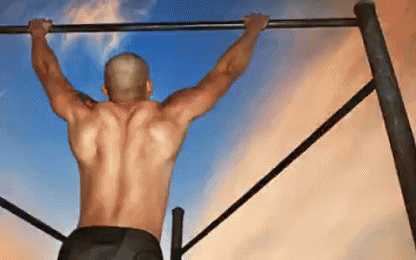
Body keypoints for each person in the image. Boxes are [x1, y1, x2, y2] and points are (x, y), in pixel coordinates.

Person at [28, 13, 269, 260]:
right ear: (149, 87)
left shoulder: (83, 117)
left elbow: (48, 72)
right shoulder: (169, 118)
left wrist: (38, 34)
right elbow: (227, 71)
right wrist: (253, 29)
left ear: (104, 89)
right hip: (136, 247)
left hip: (82, 245)